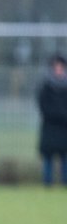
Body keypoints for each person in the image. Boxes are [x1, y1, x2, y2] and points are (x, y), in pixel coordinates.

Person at [37, 53, 67, 187]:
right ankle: (47, 185)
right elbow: (43, 107)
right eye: (56, 67)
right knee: (48, 159)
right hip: (49, 128)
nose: (58, 69)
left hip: (64, 128)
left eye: (61, 67)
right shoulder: (45, 87)